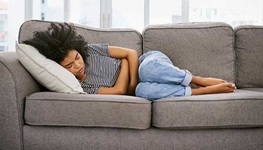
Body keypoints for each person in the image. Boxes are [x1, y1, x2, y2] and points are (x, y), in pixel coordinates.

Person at [23, 22, 236, 100]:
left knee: (146, 72)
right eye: (69, 66)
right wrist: (125, 65)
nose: (77, 65)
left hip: (151, 64)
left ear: (79, 50)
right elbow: (116, 92)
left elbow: (133, 55)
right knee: (144, 91)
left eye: (76, 58)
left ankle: (198, 79)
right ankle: (201, 91)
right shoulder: (82, 86)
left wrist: (130, 82)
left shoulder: (91, 51)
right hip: (145, 84)